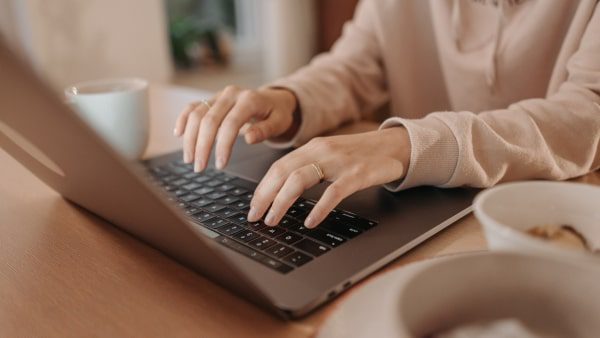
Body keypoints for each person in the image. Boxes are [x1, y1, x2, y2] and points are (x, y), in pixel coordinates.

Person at [173, 0, 600, 229]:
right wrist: (289, 99)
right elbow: (354, 65)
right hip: (423, 211)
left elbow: (586, 115)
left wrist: (406, 145)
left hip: (551, 219)